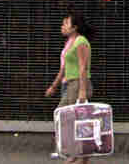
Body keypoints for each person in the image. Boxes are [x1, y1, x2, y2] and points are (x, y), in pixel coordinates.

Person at [45, 11, 93, 163]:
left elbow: (83, 67)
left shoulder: (81, 42)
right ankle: (80, 155)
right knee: (70, 120)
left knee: (67, 119)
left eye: (66, 23)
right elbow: (64, 68)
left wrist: (82, 92)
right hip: (69, 83)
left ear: (74, 27)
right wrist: (54, 85)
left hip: (78, 83)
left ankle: (77, 154)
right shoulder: (69, 43)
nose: (62, 26)